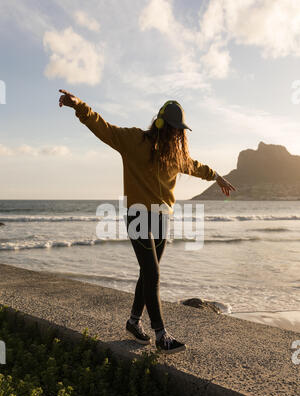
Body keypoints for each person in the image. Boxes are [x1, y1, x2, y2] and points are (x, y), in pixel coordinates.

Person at [58, 90, 236, 354]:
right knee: (153, 273)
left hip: (163, 217)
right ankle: (161, 334)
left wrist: (216, 176)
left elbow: (195, 165)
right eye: (174, 129)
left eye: (180, 131)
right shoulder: (133, 140)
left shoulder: (175, 155)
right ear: (161, 124)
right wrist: (79, 106)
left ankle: (132, 321)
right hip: (138, 215)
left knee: (147, 273)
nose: (177, 135)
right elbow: (103, 128)